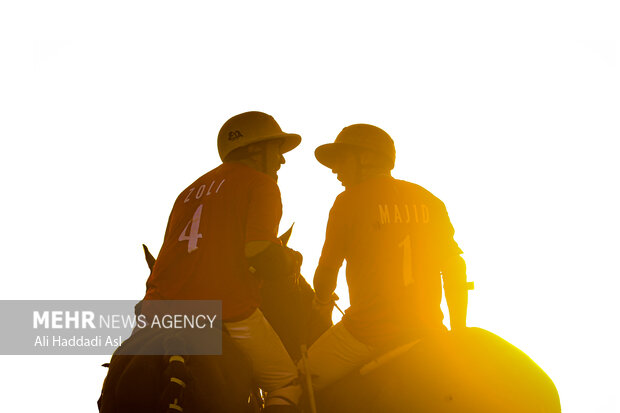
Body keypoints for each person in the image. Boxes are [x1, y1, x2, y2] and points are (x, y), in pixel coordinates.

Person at [142, 111, 304, 412]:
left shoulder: (187, 193)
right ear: (255, 149)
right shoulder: (261, 184)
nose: (281, 160)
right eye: (277, 150)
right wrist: (292, 260)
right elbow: (259, 252)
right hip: (226, 309)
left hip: (157, 311)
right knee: (287, 381)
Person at [301, 123, 471, 391]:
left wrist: (321, 302)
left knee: (293, 384)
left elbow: (326, 273)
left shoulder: (347, 202)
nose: (335, 170)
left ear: (366, 158)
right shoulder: (430, 200)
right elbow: (454, 267)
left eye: (341, 160)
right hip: (428, 332)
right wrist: (458, 331)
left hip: (366, 334)